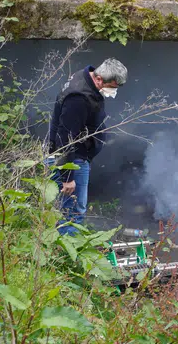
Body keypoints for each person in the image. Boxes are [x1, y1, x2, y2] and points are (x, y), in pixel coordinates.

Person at [45, 58, 127, 236]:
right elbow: (65, 137)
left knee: (64, 211)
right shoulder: (79, 98)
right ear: (99, 79)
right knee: (72, 213)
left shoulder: (85, 79)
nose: (113, 91)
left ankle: (59, 251)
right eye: (112, 86)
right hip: (72, 161)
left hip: (75, 159)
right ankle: (67, 259)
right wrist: (68, 176)